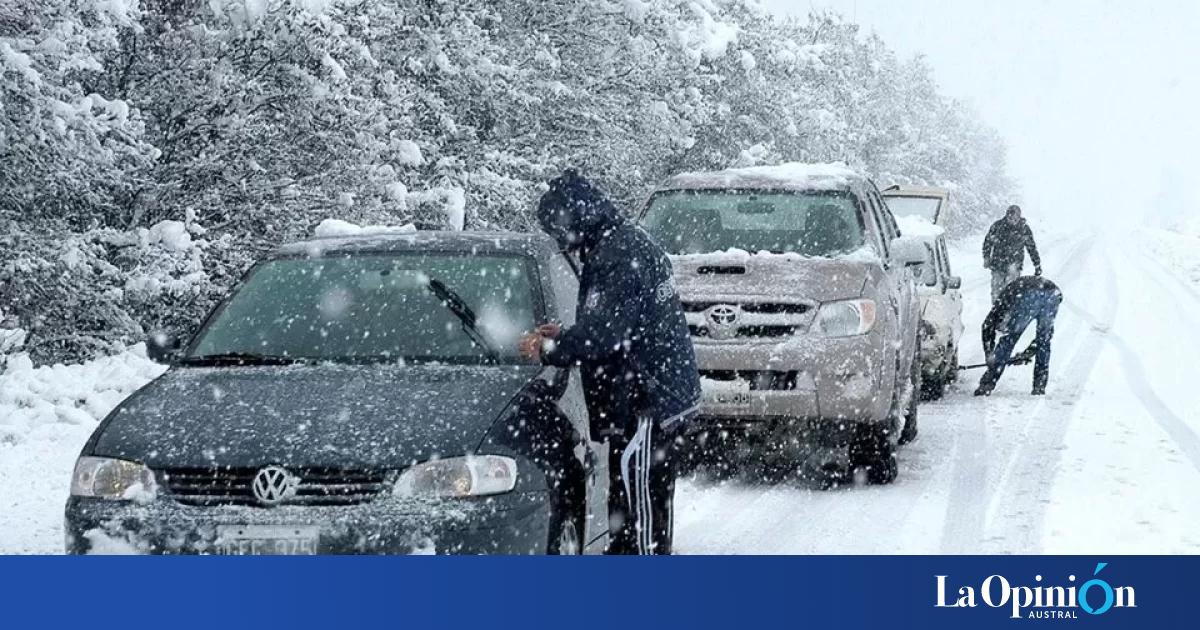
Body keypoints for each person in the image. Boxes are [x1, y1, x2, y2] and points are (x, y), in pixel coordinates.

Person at [517, 169, 701, 555]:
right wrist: (568, 331)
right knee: (632, 508)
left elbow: (607, 334)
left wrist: (551, 350)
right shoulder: (620, 243)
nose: (559, 239)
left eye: (558, 228)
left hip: (647, 402)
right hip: (645, 396)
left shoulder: (619, 254)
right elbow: (615, 321)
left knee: (641, 515)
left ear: (576, 217)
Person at [974, 275, 1063, 397]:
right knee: (1044, 340)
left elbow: (987, 327)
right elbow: (1046, 336)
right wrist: (1029, 352)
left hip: (1029, 294)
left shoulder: (1001, 305)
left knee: (1009, 339)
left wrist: (990, 356)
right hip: (1053, 294)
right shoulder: (1008, 296)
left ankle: (987, 383)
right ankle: (1039, 386)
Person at [983, 205, 1042, 302]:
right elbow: (987, 242)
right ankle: (997, 312)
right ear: (1007, 216)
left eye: (1015, 218)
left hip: (1014, 266)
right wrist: (986, 257)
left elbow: (1031, 248)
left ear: (1019, 217)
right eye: (1010, 218)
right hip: (997, 265)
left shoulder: (1024, 230)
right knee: (996, 293)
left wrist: (1037, 264)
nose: (1013, 221)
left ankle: (1010, 313)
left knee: (1011, 293)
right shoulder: (997, 227)